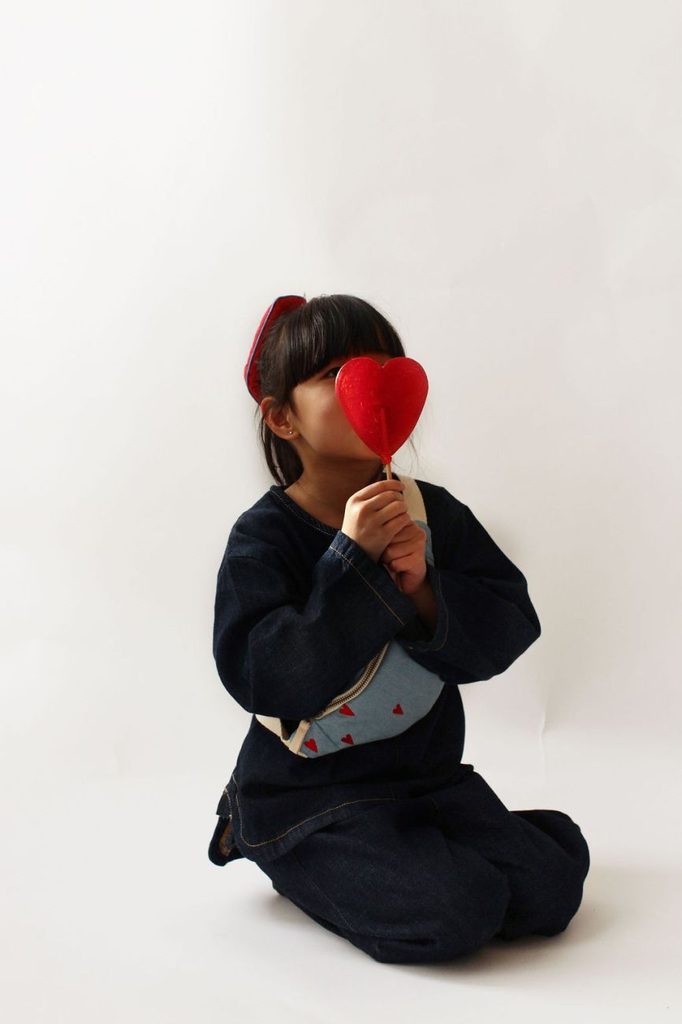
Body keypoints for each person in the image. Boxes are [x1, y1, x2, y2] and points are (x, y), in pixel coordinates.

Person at [208, 293, 590, 964]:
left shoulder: (430, 512)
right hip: (311, 794)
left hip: (426, 780)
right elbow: (263, 675)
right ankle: (267, 837)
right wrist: (351, 563)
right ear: (282, 417)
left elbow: (511, 621)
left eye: (384, 366)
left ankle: (427, 851)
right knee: (458, 910)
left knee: (551, 886)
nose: (369, 385)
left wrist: (423, 592)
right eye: (335, 373)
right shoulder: (263, 537)